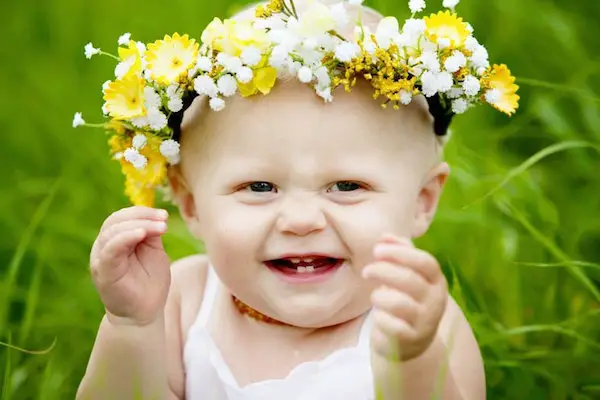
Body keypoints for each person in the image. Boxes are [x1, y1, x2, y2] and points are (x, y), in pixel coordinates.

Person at [74, 0, 519, 398]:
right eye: (259, 187)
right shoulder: (180, 302)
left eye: (347, 187)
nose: (302, 220)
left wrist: (410, 361)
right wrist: (131, 327)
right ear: (191, 206)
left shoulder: (419, 322)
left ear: (421, 202)